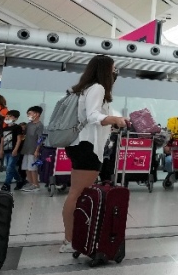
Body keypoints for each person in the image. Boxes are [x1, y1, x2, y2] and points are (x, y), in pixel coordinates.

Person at [59, 55, 128, 254]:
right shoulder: (97, 87)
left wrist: (114, 119)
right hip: (87, 146)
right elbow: (93, 116)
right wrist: (113, 118)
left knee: (77, 193)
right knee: (77, 194)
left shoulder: (86, 88)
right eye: (114, 69)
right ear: (105, 70)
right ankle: (69, 240)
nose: (115, 73)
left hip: (80, 144)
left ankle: (72, 238)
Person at [20, 106, 45, 192]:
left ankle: (35, 184)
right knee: (26, 167)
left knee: (32, 168)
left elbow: (40, 138)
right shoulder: (29, 124)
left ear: (37, 114)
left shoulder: (39, 125)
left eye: (30, 113)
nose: (28, 115)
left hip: (33, 150)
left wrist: (37, 150)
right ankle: (31, 183)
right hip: (26, 149)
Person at [0, 110, 23, 192]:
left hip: (14, 150)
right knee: (10, 167)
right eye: (7, 116)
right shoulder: (4, 128)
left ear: (15, 118)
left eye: (10, 116)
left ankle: (7, 184)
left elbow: (19, 139)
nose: (7, 117)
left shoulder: (17, 127)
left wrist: (16, 149)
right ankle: (20, 180)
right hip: (6, 150)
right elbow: (2, 140)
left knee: (9, 167)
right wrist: (1, 150)